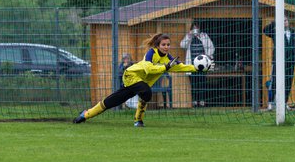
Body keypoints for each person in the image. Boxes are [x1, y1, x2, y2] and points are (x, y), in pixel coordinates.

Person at [73, 33, 204, 127]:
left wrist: (198, 68)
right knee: (146, 91)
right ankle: (138, 119)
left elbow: (180, 67)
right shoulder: (151, 53)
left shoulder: (168, 58)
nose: (166, 47)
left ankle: (86, 114)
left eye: (168, 44)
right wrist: (165, 67)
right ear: (157, 45)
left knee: (113, 101)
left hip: (140, 82)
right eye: (163, 44)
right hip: (131, 75)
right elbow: (148, 69)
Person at [263, 16, 295, 110]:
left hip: (290, 63)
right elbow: (265, 31)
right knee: (274, 82)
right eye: (282, 21)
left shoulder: (293, 33)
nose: (284, 22)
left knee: (288, 83)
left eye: (285, 20)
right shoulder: (276, 32)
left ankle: (284, 103)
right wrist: (275, 23)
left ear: (288, 21)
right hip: (277, 62)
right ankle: (271, 103)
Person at [180, 21, 215, 107]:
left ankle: (202, 101)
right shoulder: (189, 37)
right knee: (194, 84)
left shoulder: (204, 36)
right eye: (194, 28)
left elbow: (211, 47)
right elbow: (182, 45)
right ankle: (195, 102)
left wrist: (208, 56)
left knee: (202, 83)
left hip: (203, 65)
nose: (195, 30)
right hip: (192, 65)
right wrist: (189, 36)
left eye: (197, 28)